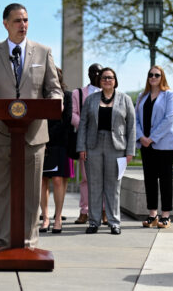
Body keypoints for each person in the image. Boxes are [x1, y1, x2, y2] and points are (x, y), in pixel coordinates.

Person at [0, 3, 63, 249]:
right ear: (5, 24)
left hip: (33, 134)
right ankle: (0, 242)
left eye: (25, 20)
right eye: (17, 21)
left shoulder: (43, 52)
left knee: (32, 193)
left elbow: (53, 88)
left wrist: (57, 101)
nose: (23, 25)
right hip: (0, 134)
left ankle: (28, 242)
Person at [76, 67, 135, 235]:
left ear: (115, 80)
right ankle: (93, 221)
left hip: (116, 146)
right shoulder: (91, 99)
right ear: (99, 81)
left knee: (114, 185)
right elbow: (83, 125)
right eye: (104, 78)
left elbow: (131, 127)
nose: (107, 80)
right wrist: (81, 147)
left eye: (110, 78)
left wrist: (130, 151)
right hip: (93, 146)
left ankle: (114, 222)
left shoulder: (125, 100)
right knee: (94, 184)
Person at [135, 65, 173, 229]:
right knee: (150, 179)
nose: (153, 77)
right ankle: (152, 214)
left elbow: (169, 119)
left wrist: (152, 138)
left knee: (166, 179)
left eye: (157, 75)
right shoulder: (142, 96)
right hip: (145, 144)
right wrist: (141, 137)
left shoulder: (169, 95)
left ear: (162, 77)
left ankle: (166, 215)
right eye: (150, 75)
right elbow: (135, 119)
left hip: (164, 144)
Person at [40, 67, 73, 234]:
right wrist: (42, 138)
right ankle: (45, 217)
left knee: (59, 180)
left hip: (59, 143)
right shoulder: (40, 96)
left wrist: (48, 136)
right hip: (40, 143)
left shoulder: (67, 96)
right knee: (42, 181)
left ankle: (58, 217)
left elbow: (66, 120)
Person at [71, 63, 103, 225]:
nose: (95, 74)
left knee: (105, 177)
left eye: (99, 71)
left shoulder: (109, 92)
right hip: (86, 141)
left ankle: (104, 210)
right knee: (86, 178)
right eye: (92, 72)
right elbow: (73, 114)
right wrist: (86, 126)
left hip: (106, 141)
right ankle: (85, 210)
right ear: (88, 74)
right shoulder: (79, 93)